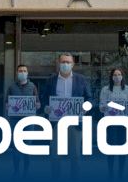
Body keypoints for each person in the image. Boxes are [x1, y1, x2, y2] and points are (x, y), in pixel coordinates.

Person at [39, 52, 93, 180]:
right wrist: (46, 107)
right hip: (56, 123)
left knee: (75, 155)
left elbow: (90, 99)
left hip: (75, 122)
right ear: (59, 63)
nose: (65, 64)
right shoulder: (51, 80)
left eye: (68, 62)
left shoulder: (81, 79)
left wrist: (86, 107)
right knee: (55, 155)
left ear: (73, 64)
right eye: (63, 62)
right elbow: (44, 98)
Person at [98, 67, 128, 180]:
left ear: (122, 76)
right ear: (111, 77)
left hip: (124, 123)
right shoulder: (105, 89)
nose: (117, 77)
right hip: (110, 123)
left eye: (119, 74)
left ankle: (121, 173)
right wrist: (105, 107)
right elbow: (101, 106)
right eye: (115, 75)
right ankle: (110, 172)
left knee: (122, 148)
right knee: (111, 147)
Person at [6, 63, 40, 175]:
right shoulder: (11, 87)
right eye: (20, 71)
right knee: (16, 146)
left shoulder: (33, 86)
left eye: (24, 71)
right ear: (17, 73)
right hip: (15, 120)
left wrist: (37, 105)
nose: (22, 73)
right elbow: (6, 102)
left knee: (27, 146)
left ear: (27, 73)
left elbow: (38, 102)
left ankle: (26, 171)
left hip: (29, 121)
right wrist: (8, 106)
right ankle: (16, 171)